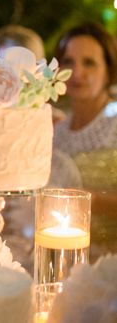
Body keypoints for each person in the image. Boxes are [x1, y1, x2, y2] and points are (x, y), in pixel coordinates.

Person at [52, 22, 117, 259]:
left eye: (89, 62)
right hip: (59, 257)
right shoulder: (56, 128)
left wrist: (89, 201)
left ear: (109, 70)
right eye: (68, 62)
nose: (77, 73)